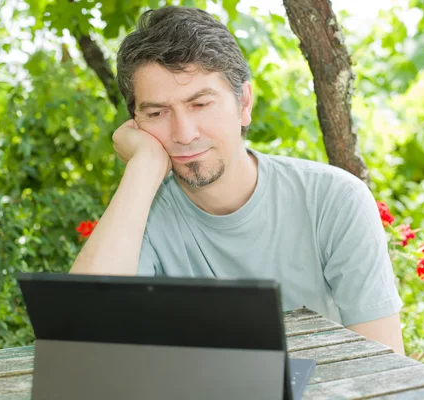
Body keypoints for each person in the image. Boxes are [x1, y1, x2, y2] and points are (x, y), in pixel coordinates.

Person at [69, 6, 404, 355]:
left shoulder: (334, 200)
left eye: (200, 104)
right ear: (135, 123)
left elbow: (386, 368)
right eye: (157, 113)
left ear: (243, 103)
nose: (183, 134)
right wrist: (144, 165)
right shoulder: (143, 213)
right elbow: (77, 341)